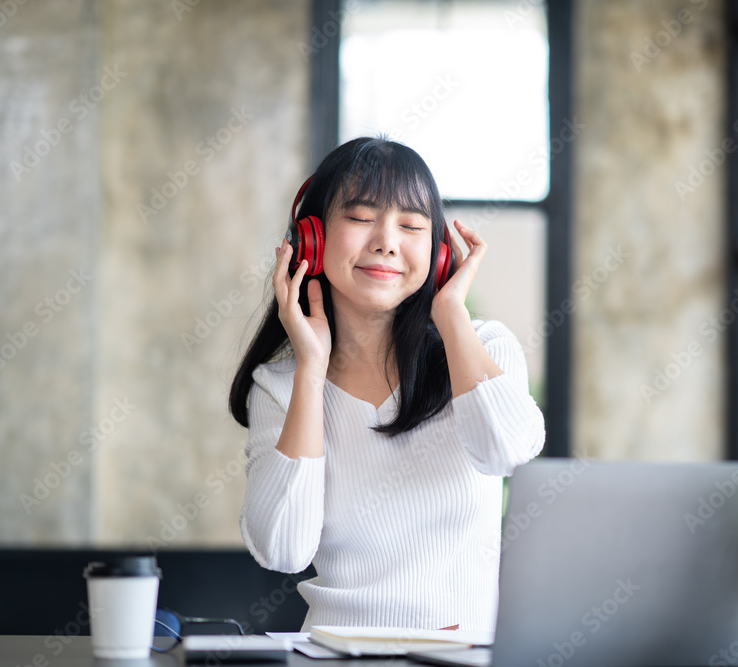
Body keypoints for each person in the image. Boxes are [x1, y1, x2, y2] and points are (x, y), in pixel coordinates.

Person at [228, 136, 545, 632]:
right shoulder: (279, 386)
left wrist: (451, 313)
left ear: (438, 255)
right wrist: (312, 370)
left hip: (462, 659)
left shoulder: (484, 347)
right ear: (311, 238)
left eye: (412, 225)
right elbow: (283, 551)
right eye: (359, 218)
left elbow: (505, 452)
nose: (387, 241)